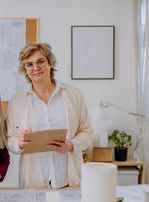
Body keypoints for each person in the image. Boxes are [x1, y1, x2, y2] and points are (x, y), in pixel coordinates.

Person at [7, 43, 93, 188]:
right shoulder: (17, 100)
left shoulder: (73, 93)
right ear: (25, 70)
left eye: (40, 61)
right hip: (33, 181)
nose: (35, 68)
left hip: (68, 178)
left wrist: (72, 145)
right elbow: (9, 139)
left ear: (50, 63)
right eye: (29, 64)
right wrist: (19, 143)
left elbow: (87, 132)